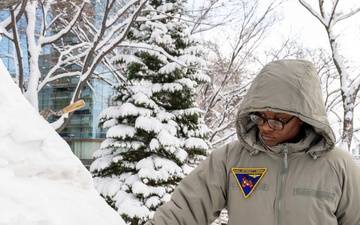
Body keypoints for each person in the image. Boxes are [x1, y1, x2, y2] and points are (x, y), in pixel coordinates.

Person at [144, 59, 360, 225]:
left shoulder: (338, 166)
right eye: (260, 117)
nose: (265, 127)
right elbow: (184, 211)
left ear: (304, 119)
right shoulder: (231, 159)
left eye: (278, 120)